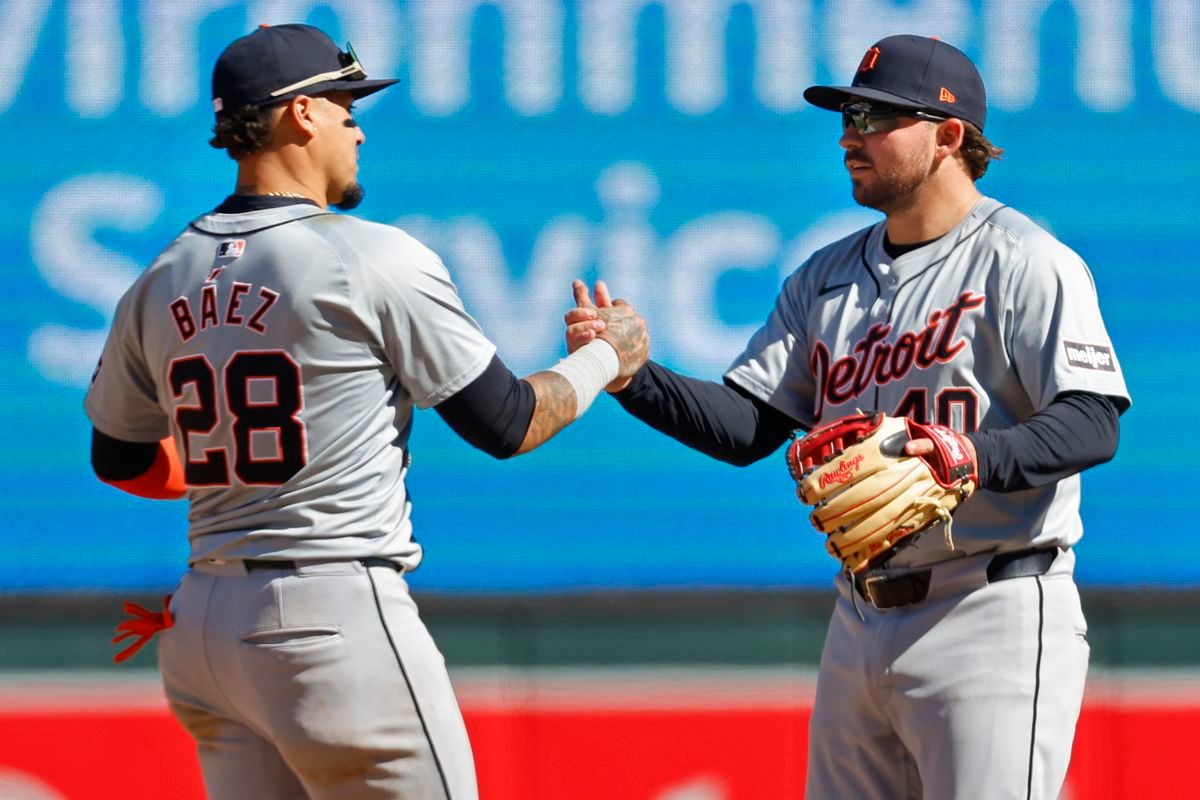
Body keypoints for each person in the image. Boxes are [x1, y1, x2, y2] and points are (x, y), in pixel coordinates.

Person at [85, 23, 646, 800]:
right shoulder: (368, 254)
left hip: (202, 626)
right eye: (345, 103)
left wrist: (240, 481)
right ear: (300, 114)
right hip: (329, 619)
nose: (357, 125)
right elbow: (509, 423)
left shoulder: (159, 275)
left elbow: (117, 456)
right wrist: (606, 357)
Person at [566, 34, 1129, 799]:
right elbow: (746, 429)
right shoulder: (823, 279)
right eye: (848, 116)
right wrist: (636, 380)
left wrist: (969, 457)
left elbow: (1093, 422)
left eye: (874, 118)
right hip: (859, 617)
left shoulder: (1024, 260)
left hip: (991, 607)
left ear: (947, 135)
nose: (848, 136)